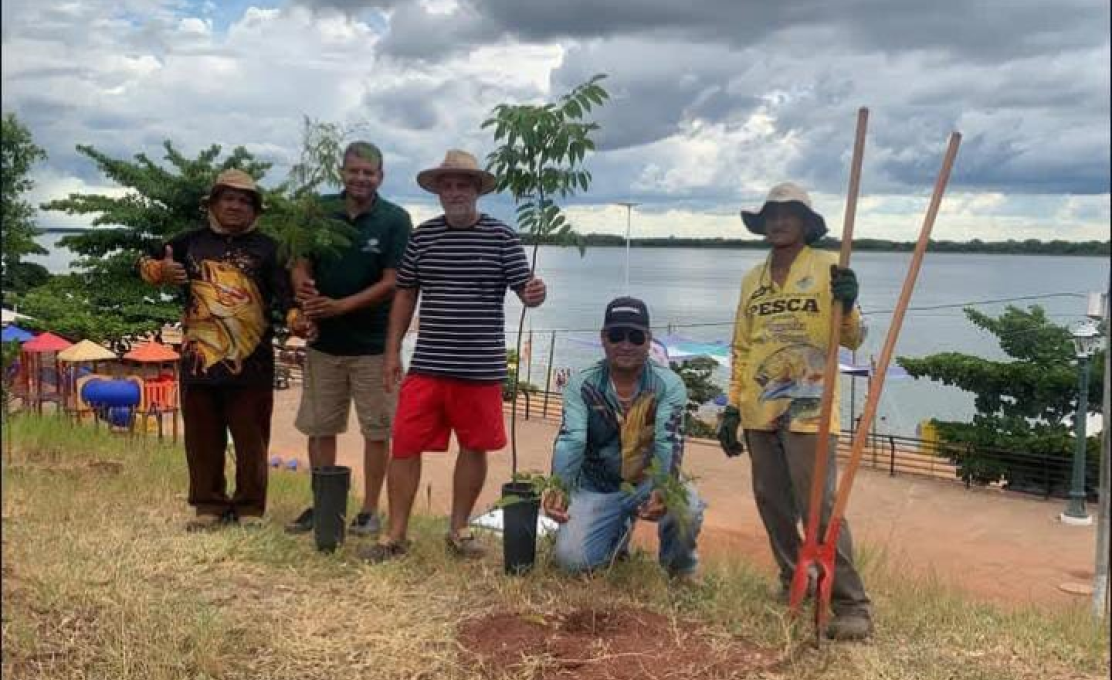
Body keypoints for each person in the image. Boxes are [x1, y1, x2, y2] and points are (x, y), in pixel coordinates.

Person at [361, 149, 546, 562]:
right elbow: (405, 294)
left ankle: (458, 529)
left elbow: (526, 290)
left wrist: (537, 293)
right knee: (405, 445)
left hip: (480, 368)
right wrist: (392, 351)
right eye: (448, 184)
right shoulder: (423, 237)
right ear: (439, 190)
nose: (455, 191)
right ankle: (395, 535)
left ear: (477, 189)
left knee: (474, 446)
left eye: (464, 184)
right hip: (428, 364)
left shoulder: (502, 236)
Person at [716, 182, 873, 640]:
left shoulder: (829, 268)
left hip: (811, 409)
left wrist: (848, 302)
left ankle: (851, 605)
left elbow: (853, 338)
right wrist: (731, 407)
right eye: (771, 214)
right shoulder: (752, 280)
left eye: (788, 214)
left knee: (820, 508)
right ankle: (795, 580)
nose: (778, 222)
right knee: (773, 504)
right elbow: (742, 348)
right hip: (760, 411)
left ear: (806, 223)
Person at [138, 169, 310, 530]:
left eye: (244, 200)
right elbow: (144, 264)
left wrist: (296, 317)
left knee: (252, 439)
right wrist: (160, 271)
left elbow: (285, 296)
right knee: (202, 438)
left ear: (255, 209)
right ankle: (208, 506)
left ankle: (250, 508)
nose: (235, 206)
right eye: (228, 198)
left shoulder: (270, 248)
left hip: (254, 363)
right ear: (213, 204)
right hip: (198, 360)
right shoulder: (188, 243)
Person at [285, 141, 413, 537]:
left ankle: (370, 510)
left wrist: (341, 306)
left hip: (375, 346)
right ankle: (325, 503)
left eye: (368, 172)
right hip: (324, 345)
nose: (361, 178)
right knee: (320, 427)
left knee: (377, 430)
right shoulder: (317, 211)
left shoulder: (395, 219)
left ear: (381, 176)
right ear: (341, 171)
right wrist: (306, 298)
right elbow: (299, 261)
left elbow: (394, 282)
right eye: (354, 170)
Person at [543, 297, 703, 579]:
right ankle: (617, 533)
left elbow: (670, 441)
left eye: (635, 336)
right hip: (596, 487)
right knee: (572, 562)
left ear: (648, 340)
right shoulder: (582, 385)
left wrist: (664, 489)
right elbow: (572, 440)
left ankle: (681, 571)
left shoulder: (669, 385)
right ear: (604, 338)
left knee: (685, 506)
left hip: (646, 481)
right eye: (616, 335)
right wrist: (560, 487)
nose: (625, 344)